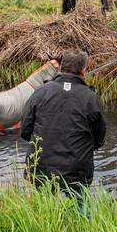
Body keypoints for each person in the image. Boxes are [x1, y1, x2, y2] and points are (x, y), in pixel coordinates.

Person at [20, 49, 106, 212]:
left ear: (61, 67)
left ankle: (44, 227)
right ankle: (83, 227)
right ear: (83, 71)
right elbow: (99, 138)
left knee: (42, 212)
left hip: (41, 167)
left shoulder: (40, 92)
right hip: (77, 169)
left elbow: (25, 130)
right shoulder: (90, 97)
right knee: (81, 207)